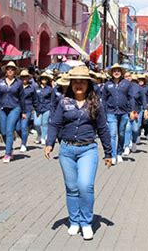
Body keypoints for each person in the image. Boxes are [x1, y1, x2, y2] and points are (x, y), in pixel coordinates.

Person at [44, 66, 112, 240]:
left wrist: (108, 153)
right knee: (72, 188)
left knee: (85, 186)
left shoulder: (96, 103)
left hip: (87, 149)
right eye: (75, 81)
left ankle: (86, 222)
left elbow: (103, 128)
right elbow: (54, 123)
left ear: (88, 84)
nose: (79, 85)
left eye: (82, 81)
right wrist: (49, 143)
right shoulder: (64, 102)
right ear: (71, 84)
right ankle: (74, 221)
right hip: (66, 150)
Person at [0, 61, 26, 163]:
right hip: (2, 108)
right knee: (2, 131)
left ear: (15, 71)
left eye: (12, 69)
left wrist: (24, 111)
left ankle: (7, 154)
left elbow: (22, 98)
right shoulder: (0, 82)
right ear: (5, 71)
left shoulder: (18, 83)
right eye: (8, 69)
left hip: (15, 108)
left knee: (9, 130)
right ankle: (9, 148)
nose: (10, 70)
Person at [102, 63, 136, 165]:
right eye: (114, 71)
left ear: (121, 72)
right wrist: (103, 113)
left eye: (118, 71)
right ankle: (112, 155)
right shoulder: (107, 85)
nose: (116, 72)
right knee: (112, 134)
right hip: (111, 112)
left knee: (121, 134)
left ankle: (119, 153)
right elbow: (104, 99)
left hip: (124, 112)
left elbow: (131, 98)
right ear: (112, 73)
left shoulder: (126, 83)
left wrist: (132, 111)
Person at [16, 69, 37, 152]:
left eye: (26, 77)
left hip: (28, 108)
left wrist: (35, 109)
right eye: (23, 77)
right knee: (17, 128)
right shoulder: (17, 87)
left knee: (24, 126)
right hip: (18, 109)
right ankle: (24, 138)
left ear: (28, 78)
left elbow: (35, 99)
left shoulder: (32, 88)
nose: (24, 78)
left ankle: (23, 144)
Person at [34, 72, 53, 145]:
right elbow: (34, 98)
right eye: (42, 78)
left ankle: (43, 137)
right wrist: (34, 107)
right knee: (37, 124)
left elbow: (52, 99)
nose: (44, 80)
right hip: (37, 108)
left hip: (47, 108)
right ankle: (39, 134)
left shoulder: (50, 89)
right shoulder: (36, 88)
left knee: (44, 123)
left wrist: (51, 108)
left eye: (45, 78)